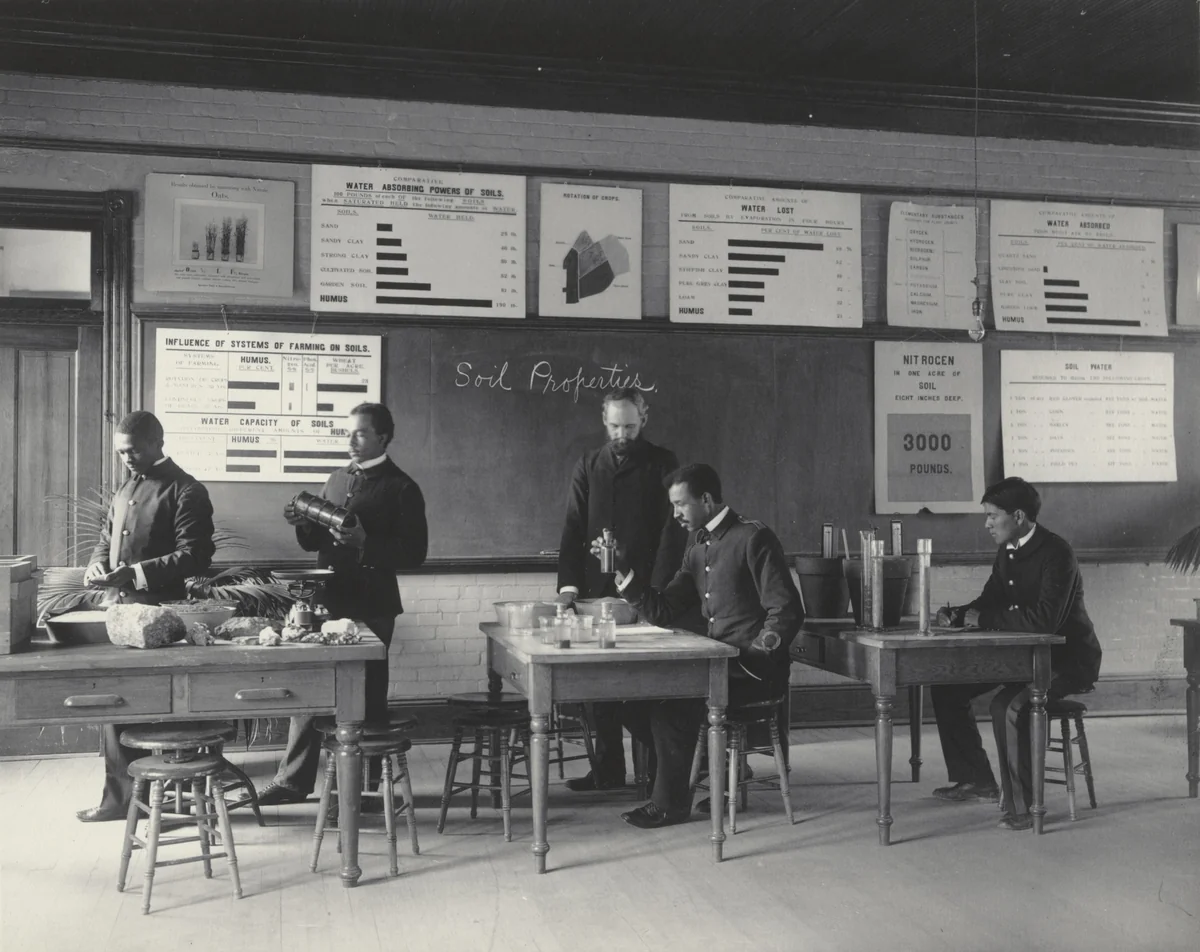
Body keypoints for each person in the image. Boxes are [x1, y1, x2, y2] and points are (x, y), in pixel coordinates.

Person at [606, 463, 804, 828]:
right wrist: (624, 571)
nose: (675, 514)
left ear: (707, 499)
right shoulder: (698, 548)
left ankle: (670, 805)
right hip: (717, 669)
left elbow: (786, 610)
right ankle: (705, 770)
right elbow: (664, 609)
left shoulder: (752, 537)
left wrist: (756, 656)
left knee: (670, 710)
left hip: (752, 672)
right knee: (633, 705)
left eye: (681, 504)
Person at [257, 402, 428, 806]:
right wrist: (303, 524)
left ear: (383, 437)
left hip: (372, 605)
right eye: (349, 432)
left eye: (361, 433)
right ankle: (294, 781)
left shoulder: (402, 487)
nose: (351, 440)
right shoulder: (336, 479)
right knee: (310, 689)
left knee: (366, 696)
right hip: (327, 603)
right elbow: (315, 543)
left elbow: (415, 554)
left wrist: (367, 544)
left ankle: (362, 790)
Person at [932, 477, 1102, 831]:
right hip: (1022, 658)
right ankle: (976, 779)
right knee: (947, 687)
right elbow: (989, 601)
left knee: (1009, 706)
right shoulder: (1007, 550)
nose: (987, 523)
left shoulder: (1057, 553)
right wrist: (958, 614)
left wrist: (985, 619)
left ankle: (1023, 809)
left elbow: (1045, 621)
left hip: (1066, 661)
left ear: (1019, 516)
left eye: (993, 515)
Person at [76, 410, 216, 822]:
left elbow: (196, 555)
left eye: (133, 451)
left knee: (152, 707)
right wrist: (96, 563)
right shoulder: (127, 486)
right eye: (121, 453)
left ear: (157, 443)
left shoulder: (187, 489)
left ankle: (156, 796)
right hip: (120, 612)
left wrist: (135, 573)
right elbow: (107, 537)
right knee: (117, 704)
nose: (127, 459)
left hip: (161, 618)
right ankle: (122, 800)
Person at [556, 387, 688, 792]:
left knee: (645, 684)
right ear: (604, 421)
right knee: (599, 683)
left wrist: (657, 593)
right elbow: (573, 528)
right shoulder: (588, 464)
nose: (622, 434)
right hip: (595, 591)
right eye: (615, 426)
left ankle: (654, 777)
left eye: (629, 427)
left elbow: (672, 534)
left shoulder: (663, 463)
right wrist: (568, 588)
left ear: (643, 420)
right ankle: (607, 770)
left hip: (644, 588)